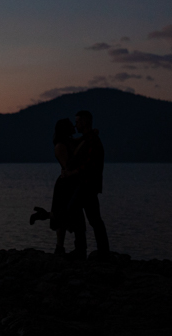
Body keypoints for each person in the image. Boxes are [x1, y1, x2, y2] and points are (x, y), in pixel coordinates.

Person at [30, 118, 87, 256]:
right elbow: (68, 166)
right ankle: (60, 247)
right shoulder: (60, 146)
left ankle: (64, 248)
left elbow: (80, 141)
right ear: (65, 129)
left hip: (73, 182)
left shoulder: (69, 142)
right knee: (62, 214)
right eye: (70, 125)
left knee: (68, 214)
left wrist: (89, 135)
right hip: (65, 185)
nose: (74, 126)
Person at [66, 110, 110, 257]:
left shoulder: (92, 141)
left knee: (75, 210)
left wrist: (71, 173)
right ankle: (101, 250)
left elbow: (89, 165)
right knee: (93, 218)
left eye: (77, 121)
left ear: (84, 122)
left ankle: (82, 249)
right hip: (89, 184)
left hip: (87, 184)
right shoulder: (88, 139)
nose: (76, 124)